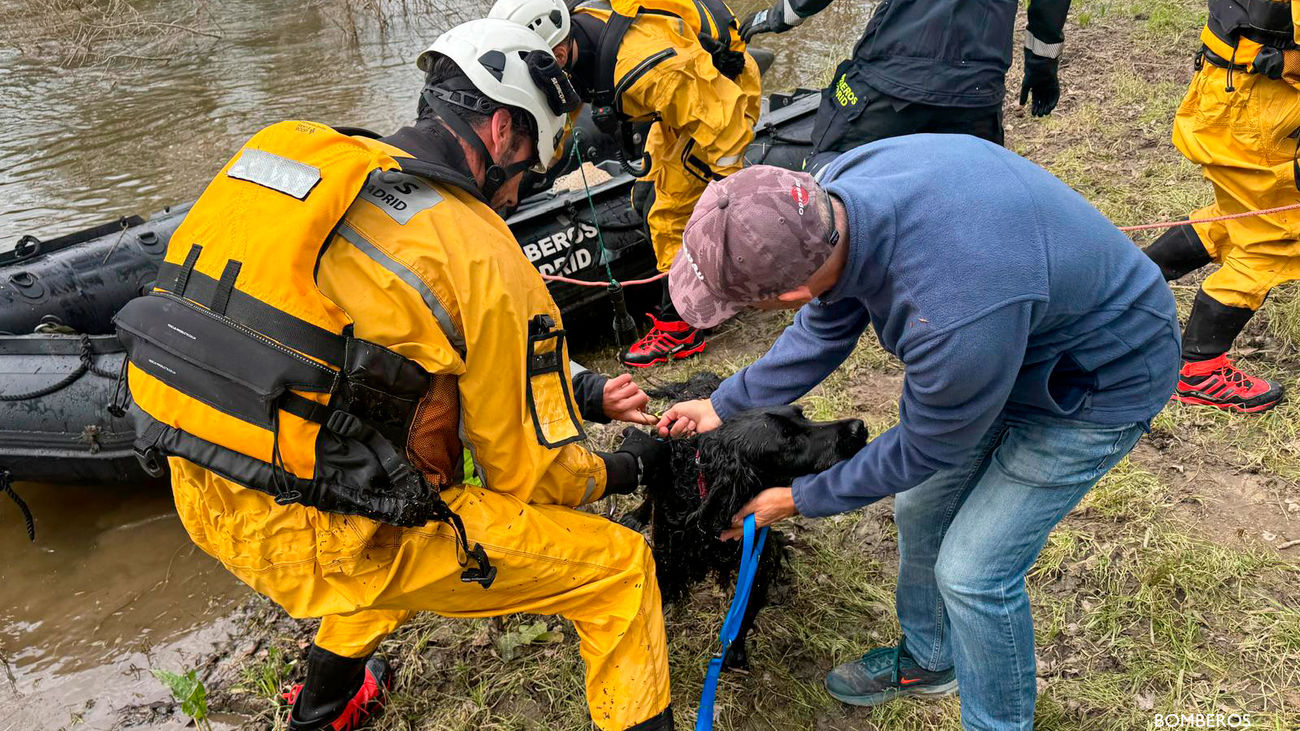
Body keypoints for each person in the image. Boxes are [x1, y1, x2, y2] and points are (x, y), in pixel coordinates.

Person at [117, 20, 674, 731]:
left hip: (206, 492)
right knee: (618, 569)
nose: (522, 189)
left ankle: (323, 711)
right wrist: (624, 469)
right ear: (502, 130)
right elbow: (534, 479)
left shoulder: (313, 171)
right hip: (331, 537)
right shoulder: (483, 254)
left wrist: (583, 390)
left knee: (393, 501)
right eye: (534, 157)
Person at [655, 140, 1180, 729]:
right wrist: (724, 402)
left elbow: (928, 445)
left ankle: (998, 724)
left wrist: (799, 498)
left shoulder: (950, 313)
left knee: (973, 574)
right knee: (921, 506)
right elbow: (827, 325)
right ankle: (931, 660)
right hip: (1007, 337)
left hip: (1097, 381)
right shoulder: (833, 194)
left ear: (792, 293)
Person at [493, 0, 763, 367]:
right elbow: (562, 116)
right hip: (680, 110)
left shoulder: (645, 69)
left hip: (721, 104)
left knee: (670, 217)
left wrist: (725, 193)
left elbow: (725, 127)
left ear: (557, 51)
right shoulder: (566, 54)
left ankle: (682, 328)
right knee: (646, 196)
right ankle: (686, 293)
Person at [1139, 0, 1298, 414]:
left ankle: (1120, 290)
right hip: (1265, 103)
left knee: (1237, 214)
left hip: (1227, 82)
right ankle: (1200, 369)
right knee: (1277, 239)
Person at [738, 0, 1070, 167]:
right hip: (975, 94)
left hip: (887, 81)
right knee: (968, 196)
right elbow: (1049, 8)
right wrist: (1042, 66)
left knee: (834, 172)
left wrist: (775, 16)